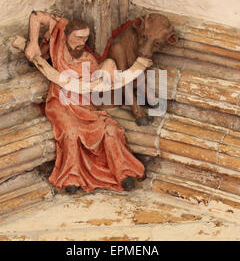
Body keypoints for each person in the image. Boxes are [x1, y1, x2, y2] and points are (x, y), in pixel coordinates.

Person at [24, 11, 152, 194]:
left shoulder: (88, 60)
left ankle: (124, 173)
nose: (82, 42)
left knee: (110, 130)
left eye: (86, 38)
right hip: (60, 103)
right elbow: (36, 16)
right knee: (70, 131)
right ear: (67, 34)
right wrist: (33, 42)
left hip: (84, 106)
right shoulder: (58, 34)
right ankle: (71, 177)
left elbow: (100, 82)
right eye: (78, 37)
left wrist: (109, 65)